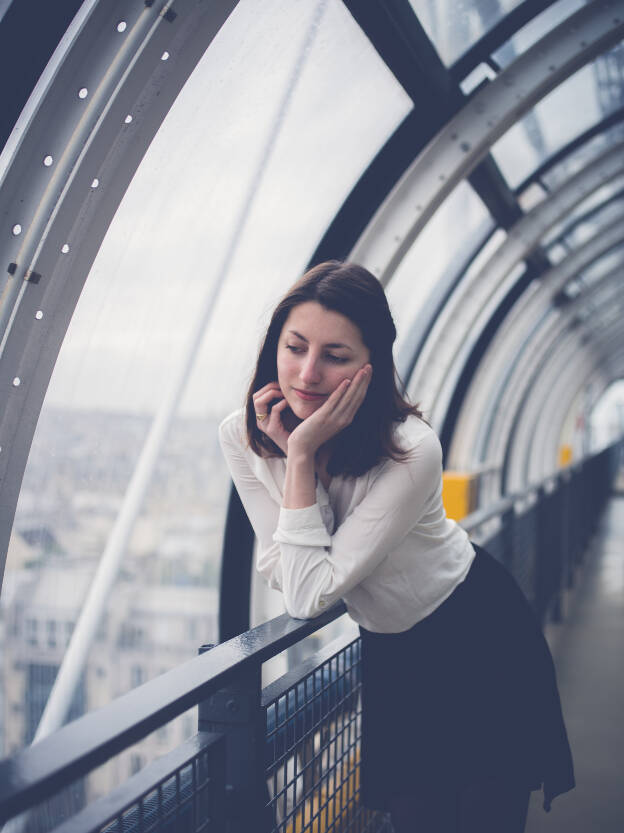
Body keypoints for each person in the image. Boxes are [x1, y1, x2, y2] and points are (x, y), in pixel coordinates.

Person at [218, 260, 574, 833]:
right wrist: (292, 461)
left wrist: (301, 455)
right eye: (295, 346)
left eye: (335, 356)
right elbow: (288, 568)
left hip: (479, 634)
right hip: (394, 653)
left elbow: (306, 589)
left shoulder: (410, 449)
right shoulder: (242, 434)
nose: (307, 374)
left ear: (371, 366)